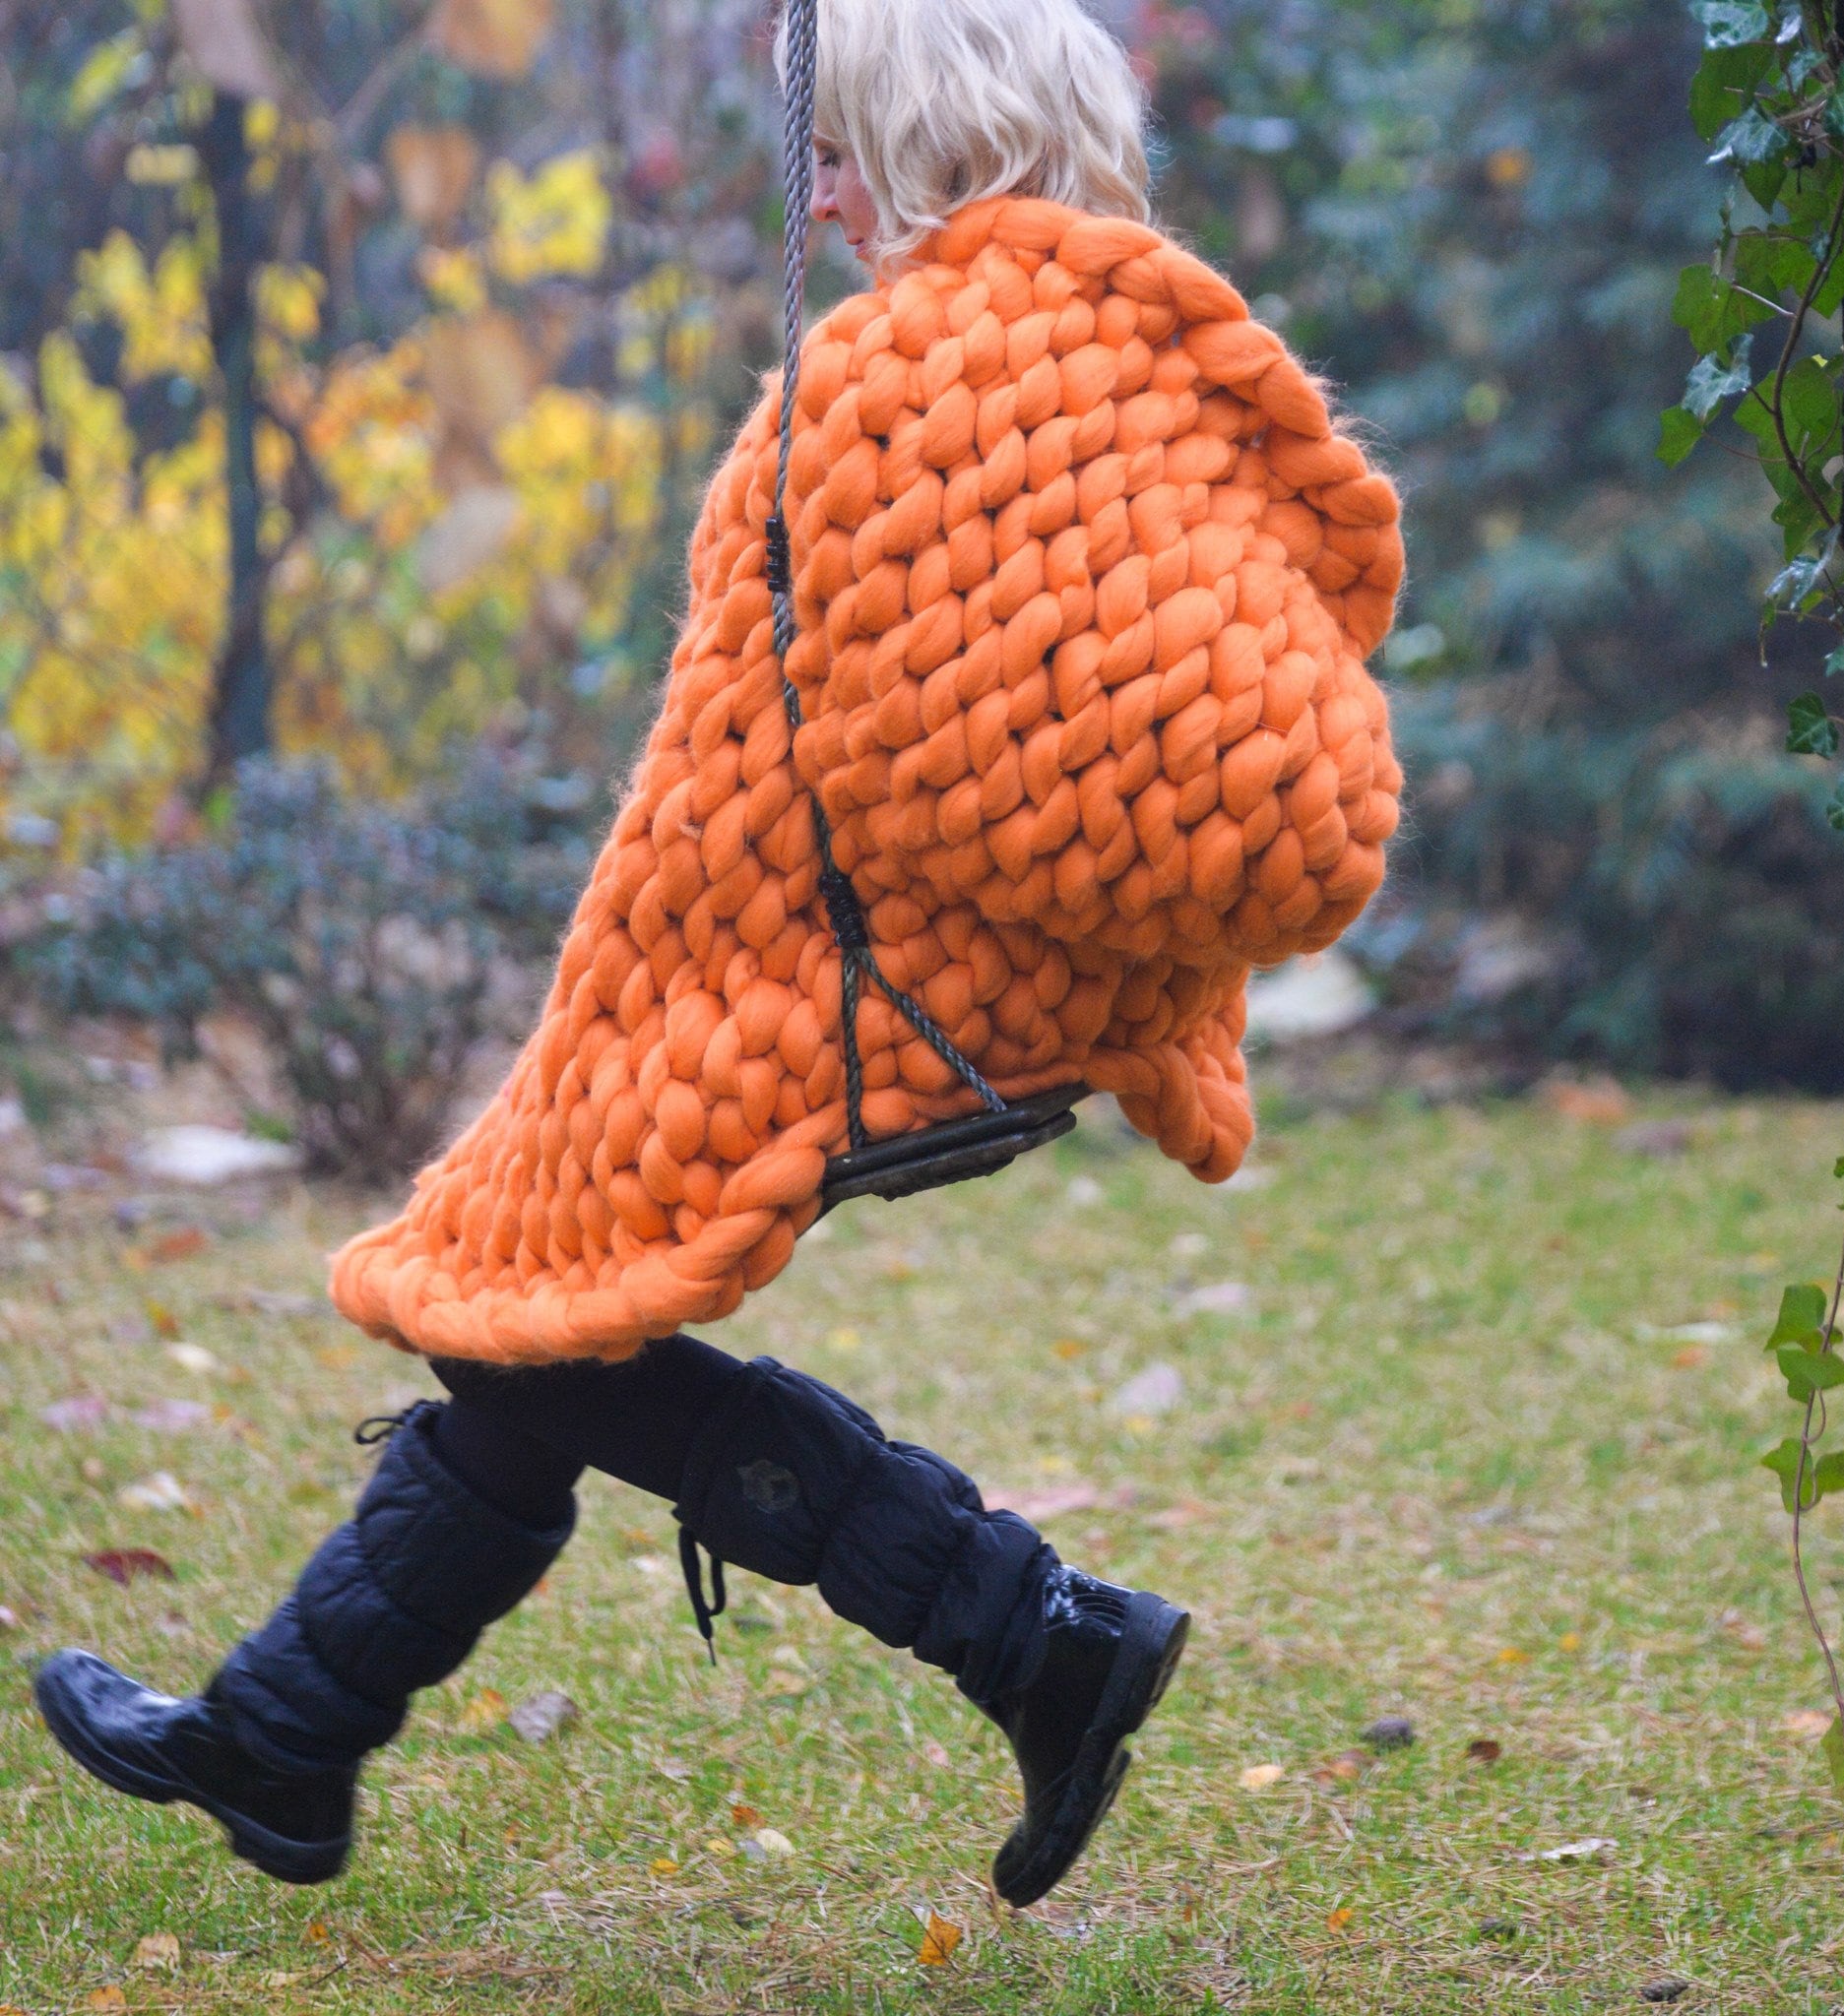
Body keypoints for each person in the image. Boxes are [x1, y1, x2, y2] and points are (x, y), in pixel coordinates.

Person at [34, 0, 1403, 1910]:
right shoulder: (1141, 341)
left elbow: (923, 749)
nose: (819, 192)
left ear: (933, 132)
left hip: (867, 995)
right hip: (937, 980)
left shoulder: (900, 377)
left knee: (525, 1304)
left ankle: (1033, 1624)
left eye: (833, 146)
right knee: (522, 1333)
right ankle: (287, 1735)